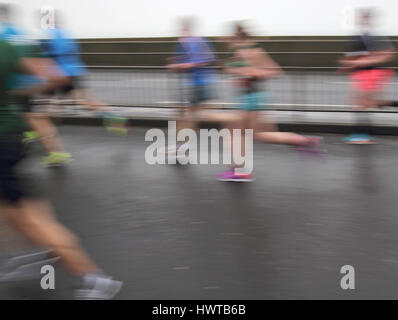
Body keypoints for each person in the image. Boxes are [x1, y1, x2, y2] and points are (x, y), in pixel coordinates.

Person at [0, 37, 122, 299]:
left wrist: (15, 96)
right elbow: (54, 76)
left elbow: (56, 77)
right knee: (11, 210)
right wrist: (17, 97)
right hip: (12, 136)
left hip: (3, 142)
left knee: (30, 216)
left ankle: (92, 278)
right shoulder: (6, 46)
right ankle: (34, 256)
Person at [217, 23, 325, 182]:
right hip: (250, 97)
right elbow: (237, 70)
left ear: (238, 37)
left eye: (231, 38)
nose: (229, 41)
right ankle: (303, 141)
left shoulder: (251, 51)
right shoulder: (242, 51)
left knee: (232, 131)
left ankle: (240, 170)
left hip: (251, 98)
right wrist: (235, 71)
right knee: (257, 134)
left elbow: (275, 71)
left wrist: (253, 73)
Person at [339, 8, 396, 144]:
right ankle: (362, 134)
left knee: (362, 103)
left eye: (365, 17)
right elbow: (352, 56)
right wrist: (346, 64)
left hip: (374, 72)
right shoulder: (356, 37)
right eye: (361, 18)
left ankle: (363, 135)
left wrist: (366, 61)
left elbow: (389, 54)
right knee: (360, 103)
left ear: (369, 19)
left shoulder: (376, 37)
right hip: (361, 73)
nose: (362, 20)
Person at [167, 17, 217, 155]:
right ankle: (180, 145)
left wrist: (185, 65)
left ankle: (181, 146)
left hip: (200, 83)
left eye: (183, 29)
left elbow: (210, 58)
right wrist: (175, 64)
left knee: (190, 115)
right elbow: (178, 60)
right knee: (182, 115)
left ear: (187, 29)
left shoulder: (198, 41)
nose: (181, 31)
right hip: (193, 84)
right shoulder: (183, 42)